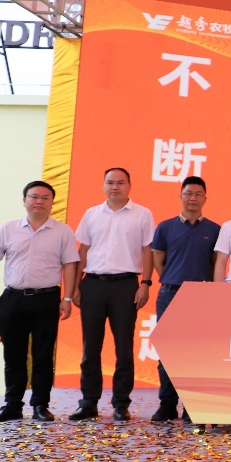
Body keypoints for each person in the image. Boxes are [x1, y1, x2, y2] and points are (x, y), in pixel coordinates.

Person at [0, 180, 79, 422]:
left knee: (43, 355)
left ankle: (40, 405)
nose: (39, 201)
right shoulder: (8, 229)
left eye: (45, 198)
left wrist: (67, 297)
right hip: (13, 298)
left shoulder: (63, 231)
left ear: (52, 203)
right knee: (13, 355)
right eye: (34, 196)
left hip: (47, 300)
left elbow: (69, 266)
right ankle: (12, 405)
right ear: (24, 200)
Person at [71, 168, 155, 422]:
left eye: (120, 182)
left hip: (125, 285)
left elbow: (148, 251)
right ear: (103, 185)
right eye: (110, 182)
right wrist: (75, 286)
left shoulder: (142, 214)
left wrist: (145, 283)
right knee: (90, 348)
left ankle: (121, 404)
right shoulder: (91, 214)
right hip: (93, 284)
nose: (115, 187)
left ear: (129, 186)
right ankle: (88, 403)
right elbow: (83, 251)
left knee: (124, 348)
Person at [149, 176, 220, 423]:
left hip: (200, 296)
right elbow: (158, 261)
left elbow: (215, 265)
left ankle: (192, 406)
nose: (193, 198)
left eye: (198, 194)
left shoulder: (215, 230)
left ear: (205, 199)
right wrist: (173, 279)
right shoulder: (165, 227)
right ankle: (167, 404)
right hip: (170, 293)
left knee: (197, 351)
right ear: (180, 196)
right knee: (168, 351)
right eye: (188, 193)